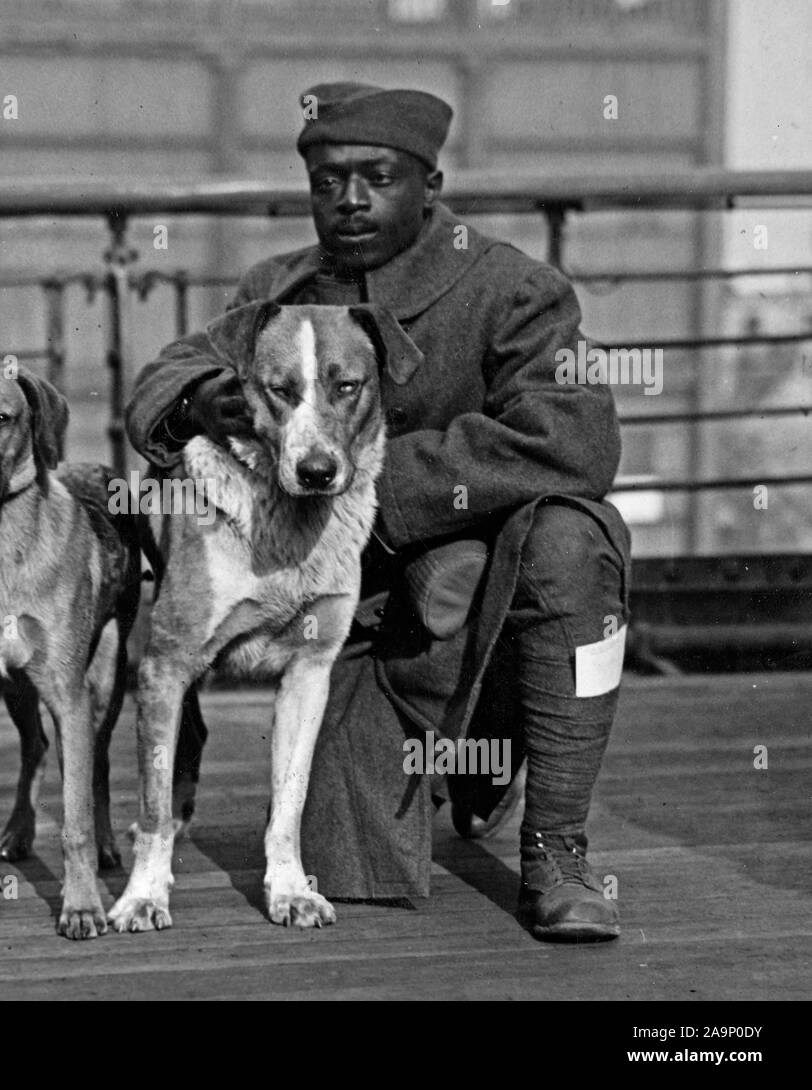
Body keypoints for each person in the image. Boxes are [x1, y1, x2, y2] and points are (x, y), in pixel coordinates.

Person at [126, 82, 630, 941]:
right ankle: (469, 756)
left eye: (378, 177)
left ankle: (557, 844)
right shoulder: (278, 290)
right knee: (341, 860)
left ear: (431, 185)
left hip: (485, 587)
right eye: (328, 182)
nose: (350, 199)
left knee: (570, 543)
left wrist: (379, 487)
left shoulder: (513, 288)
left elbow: (574, 435)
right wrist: (199, 400)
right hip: (362, 620)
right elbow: (163, 379)